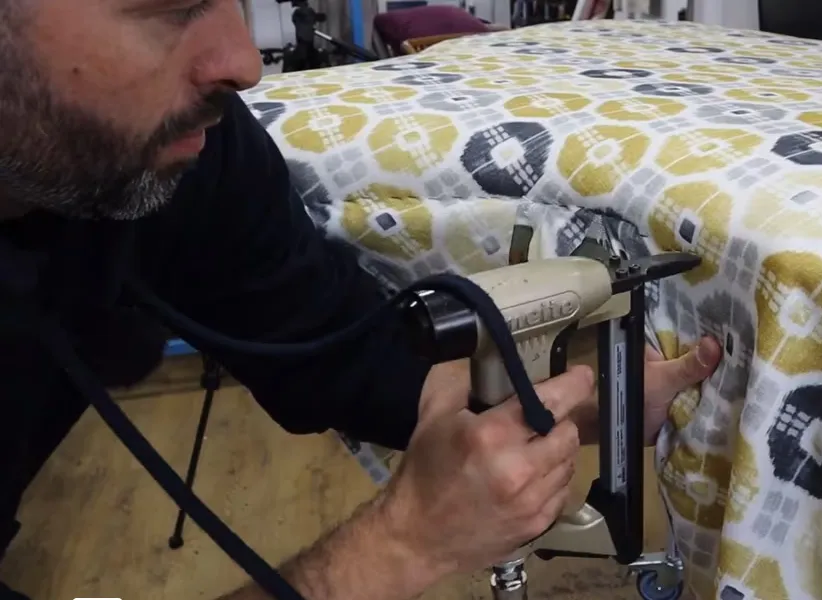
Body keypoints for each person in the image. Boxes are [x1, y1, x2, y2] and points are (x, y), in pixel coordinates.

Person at [0, 0, 723, 598]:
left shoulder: (190, 155)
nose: (244, 63)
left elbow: (334, 345)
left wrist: (580, 409)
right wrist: (398, 544)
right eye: (169, 7)